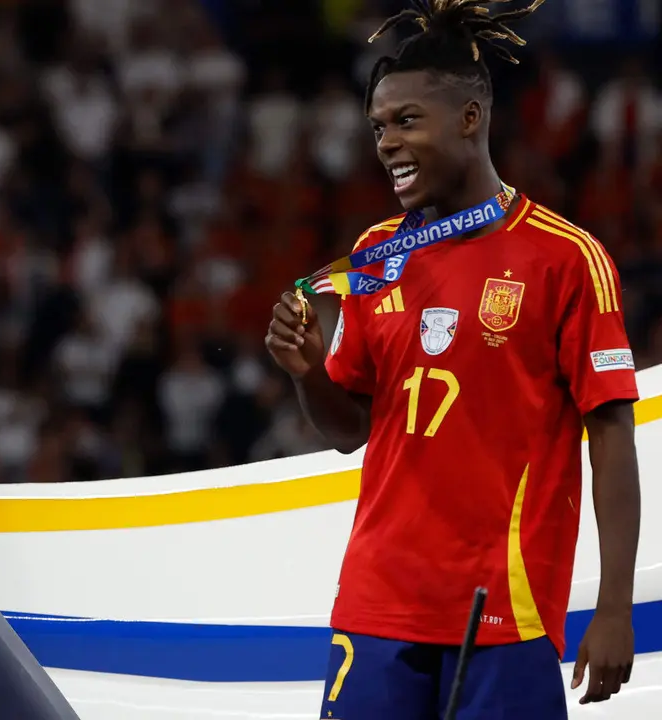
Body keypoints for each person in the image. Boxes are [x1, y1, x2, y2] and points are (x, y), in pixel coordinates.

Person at [265, 2, 639, 718]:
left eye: (408, 122)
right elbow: (351, 431)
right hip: (377, 604)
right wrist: (307, 372)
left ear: (471, 120)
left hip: (502, 610)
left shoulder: (566, 258)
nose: (387, 144)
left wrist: (614, 607)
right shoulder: (378, 255)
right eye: (379, 127)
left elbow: (613, 437)